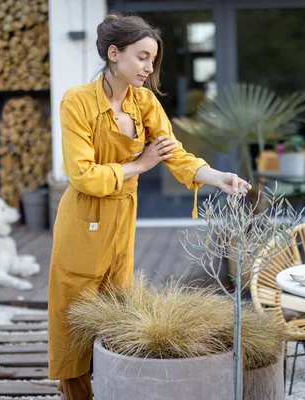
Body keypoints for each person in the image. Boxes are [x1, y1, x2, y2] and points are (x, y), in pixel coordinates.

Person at [48, 13, 251, 400]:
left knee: (117, 309)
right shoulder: (76, 102)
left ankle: (112, 386)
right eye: (142, 57)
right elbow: (82, 175)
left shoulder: (144, 103)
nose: (149, 67)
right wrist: (140, 165)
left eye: (152, 59)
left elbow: (175, 154)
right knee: (74, 314)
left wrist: (215, 177)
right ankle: (76, 394)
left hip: (123, 218)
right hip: (84, 220)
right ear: (114, 53)